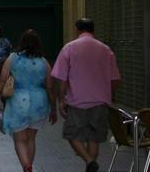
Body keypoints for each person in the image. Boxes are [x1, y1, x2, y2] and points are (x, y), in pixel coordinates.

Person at [51, 18, 120, 172]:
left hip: (77, 101)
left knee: (72, 135)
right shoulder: (105, 49)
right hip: (99, 101)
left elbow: (62, 78)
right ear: (93, 31)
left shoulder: (69, 48)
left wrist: (61, 100)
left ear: (77, 30)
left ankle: (89, 161)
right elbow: (115, 78)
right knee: (93, 137)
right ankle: (90, 165)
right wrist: (109, 95)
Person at [0, 29, 57, 172]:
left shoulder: (12, 58)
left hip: (18, 102)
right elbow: (50, 88)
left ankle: (26, 166)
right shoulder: (44, 62)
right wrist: (54, 110)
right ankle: (28, 166)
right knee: (31, 139)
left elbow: (2, 79)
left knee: (20, 139)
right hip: (39, 103)